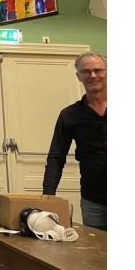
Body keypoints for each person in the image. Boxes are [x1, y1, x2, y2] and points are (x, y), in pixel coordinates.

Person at [42, 52, 107, 231]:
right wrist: (48, 196)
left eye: (98, 70)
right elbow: (56, 157)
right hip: (93, 199)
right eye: (86, 71)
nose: (93, 75)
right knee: (96, 246)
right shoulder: (70, 115)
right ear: (78, 76)